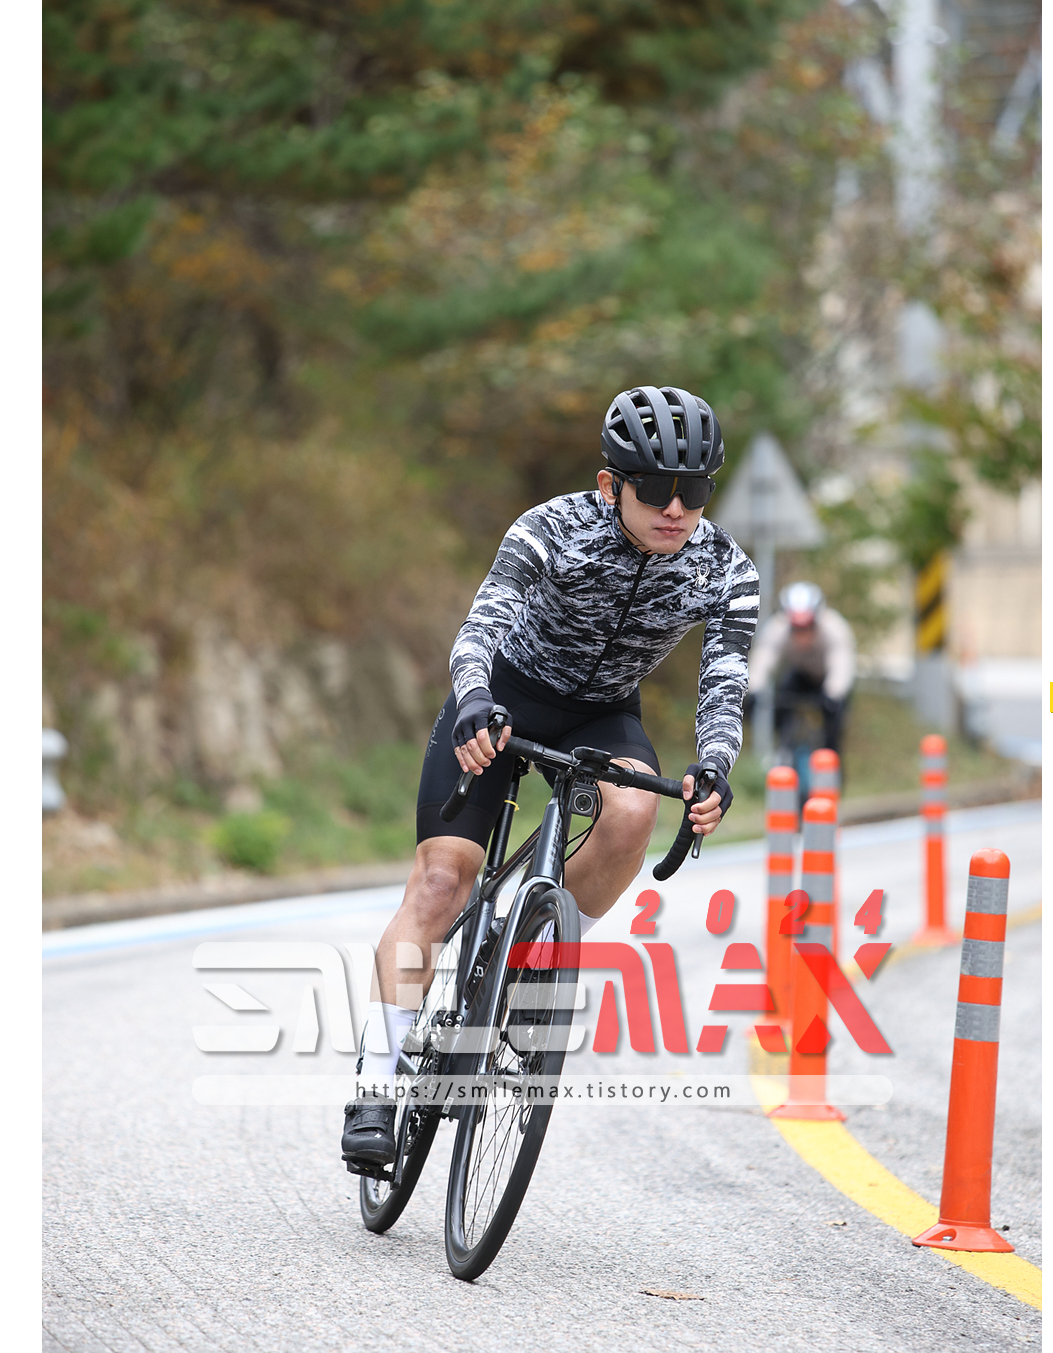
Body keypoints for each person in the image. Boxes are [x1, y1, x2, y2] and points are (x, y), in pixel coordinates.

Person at [342, 385, 760, 1168]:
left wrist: (714, 767)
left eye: (695, 490)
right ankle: (375, 1084)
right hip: (503, 698)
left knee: (633, 814)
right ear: (610, 485)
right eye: (656, 489)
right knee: (440, 884)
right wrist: (474, 700)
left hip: (604, 713)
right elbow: (483, 624)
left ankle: (534, 955)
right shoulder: (551, 528)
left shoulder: (725, 567)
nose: (676, 508)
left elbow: (724, 684)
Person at [747, 581, 856, 760]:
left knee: (833, 729)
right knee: (780, 704)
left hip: (828, 681)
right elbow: (764, 657)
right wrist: (753, 689)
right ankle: (785, 749)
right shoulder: (777, 628)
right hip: (800, 675)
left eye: (807, 627)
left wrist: (834, 693)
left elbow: (841, 664)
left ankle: (832, 766)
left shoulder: (834, 628)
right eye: (796, 628)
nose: (801, 635)